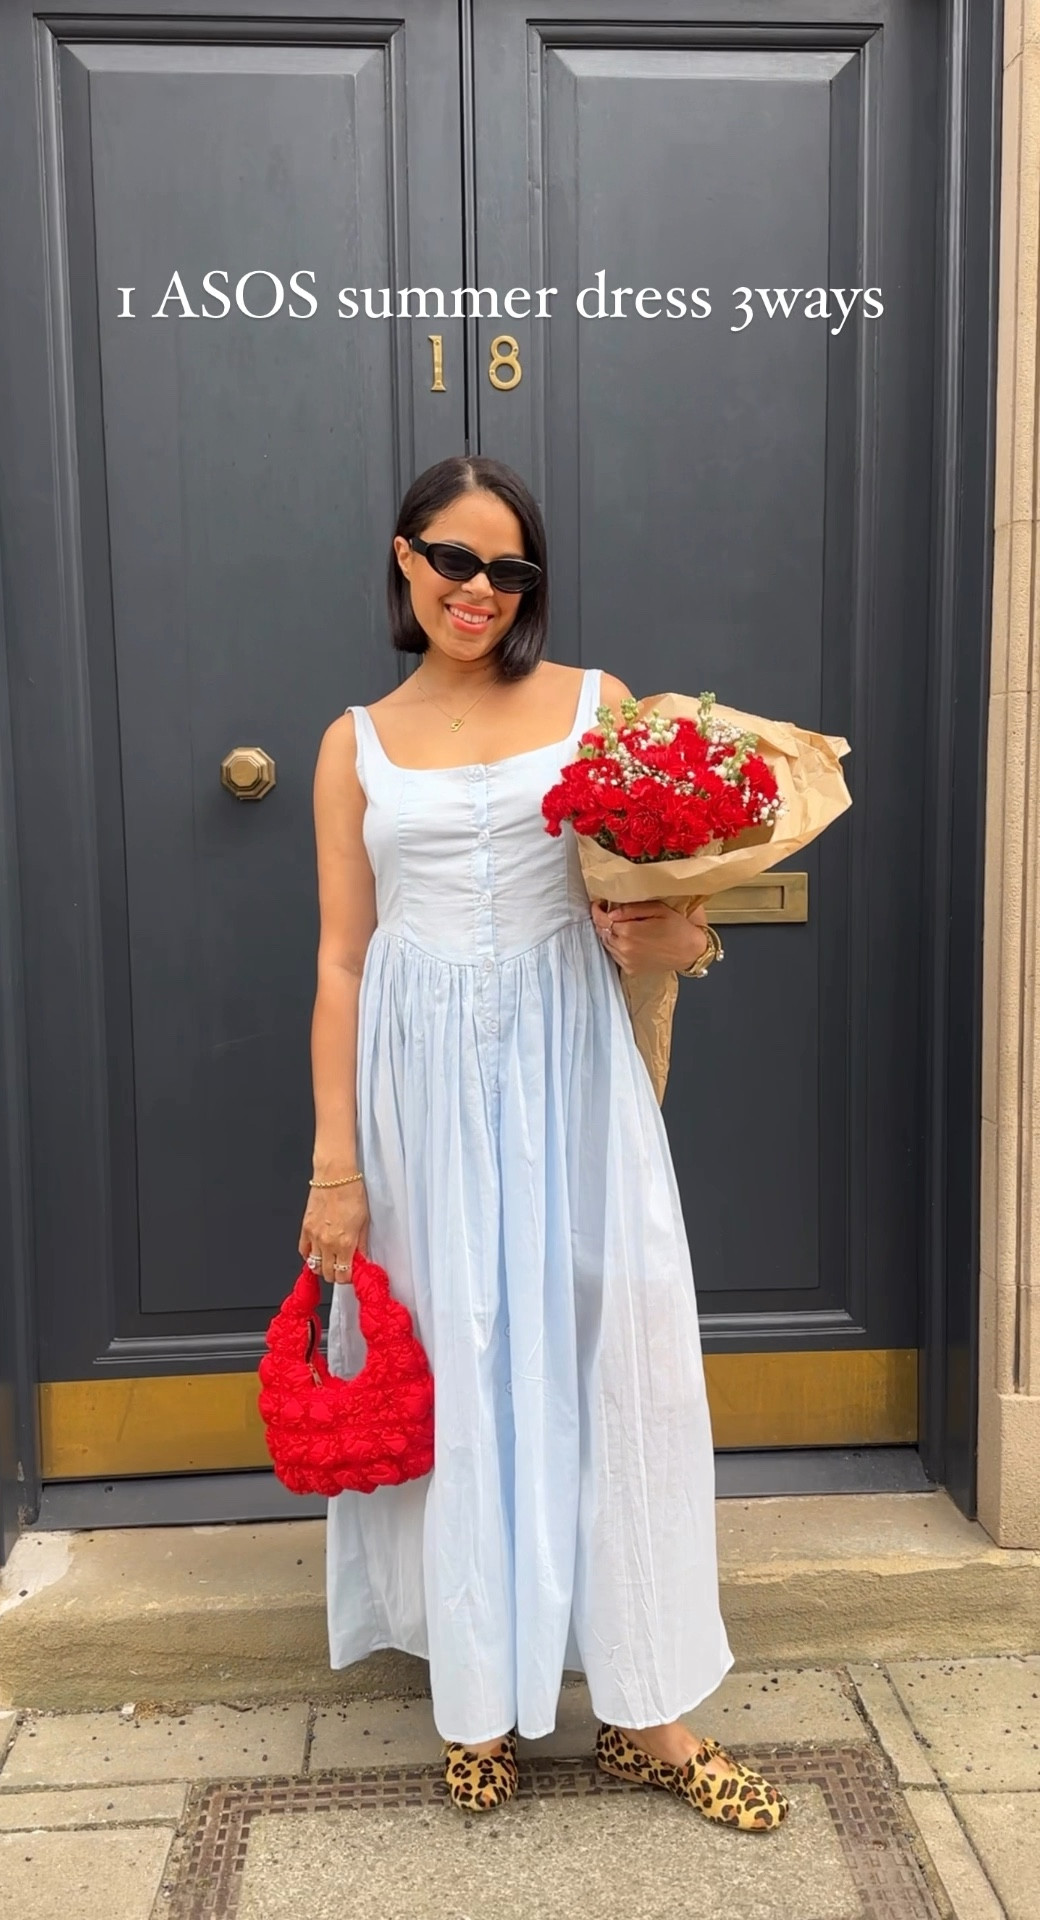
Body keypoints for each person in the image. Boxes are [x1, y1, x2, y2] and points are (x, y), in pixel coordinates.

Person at [300, 454, 789, 1831]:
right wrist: (336, 1165)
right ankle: (482, 1696)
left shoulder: (596, 704)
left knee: (609, 1351)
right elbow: (342, 960)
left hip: (572, 1069)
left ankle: (647, 1711)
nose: (482, 590)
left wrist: (673, 929)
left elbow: (669, 916)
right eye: (456, 560)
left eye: (511, 569)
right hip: (419, 1090)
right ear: (405, 560)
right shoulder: (355, 741)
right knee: (458, 1362)